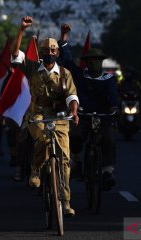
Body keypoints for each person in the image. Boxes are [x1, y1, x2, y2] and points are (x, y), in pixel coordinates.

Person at [11, 16, 79, 216]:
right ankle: (35, 170)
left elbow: (72, 95)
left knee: (65, 161)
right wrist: (21, 30)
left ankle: (65, 202)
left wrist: (74, 111)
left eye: (53, 50)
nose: (49, 53)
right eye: (45, 51)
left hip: (59, 117)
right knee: (42, 139)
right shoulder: (32, 67)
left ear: (57, 53)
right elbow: (15, 54)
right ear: (39, 53)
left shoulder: (65, 73)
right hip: (37, 114)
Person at [58, 24, 118, 190]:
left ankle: (107, 171)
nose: (93, 64)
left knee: (109, 139)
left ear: (101, 62)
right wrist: (63, 37)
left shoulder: (109, 79)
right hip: (83, 115)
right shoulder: (79, 75)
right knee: (75, 136)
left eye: (96, 61)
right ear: (85, 63)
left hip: (103, 116)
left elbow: (113, 96)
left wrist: (113, 109)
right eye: (90, 61)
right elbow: (67, 59)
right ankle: (77, 161)